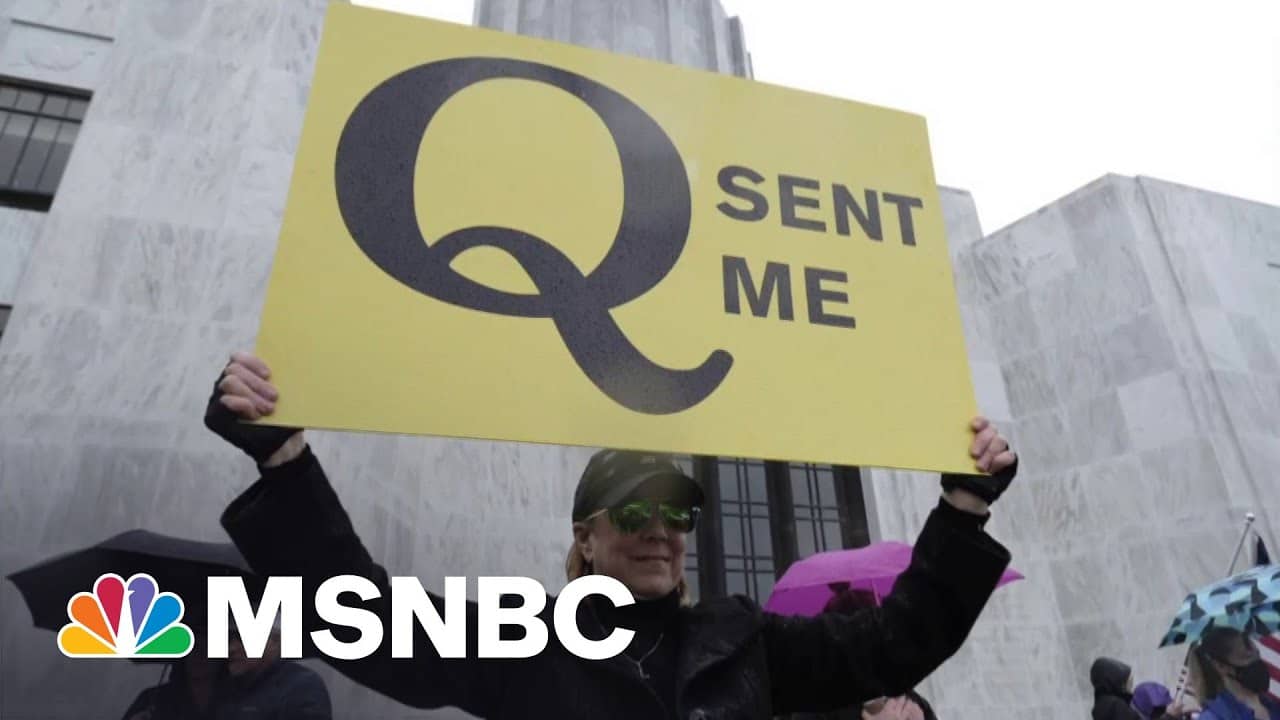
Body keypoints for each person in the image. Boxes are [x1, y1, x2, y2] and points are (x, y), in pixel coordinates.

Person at [203, 351, 1019, 719]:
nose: (659, 531)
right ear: (586, 539)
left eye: (677, 514)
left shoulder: (742, 642)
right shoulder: (526, 640)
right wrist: (283, 460)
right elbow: (368, 622)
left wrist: (963, 507)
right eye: (632, 513)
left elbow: (893, 643)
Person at [120, 620, 331, 720]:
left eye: (242, 638)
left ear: (275, 642)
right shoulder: (154, 700)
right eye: (229, 639)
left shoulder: (300, 685)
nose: (232, 648)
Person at [1190, 628, 1280, 720]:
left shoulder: (1273, 707)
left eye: (1257, 654)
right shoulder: (1214, 717)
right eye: (1247, 657)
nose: (1256, 662)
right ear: (1221, 666)